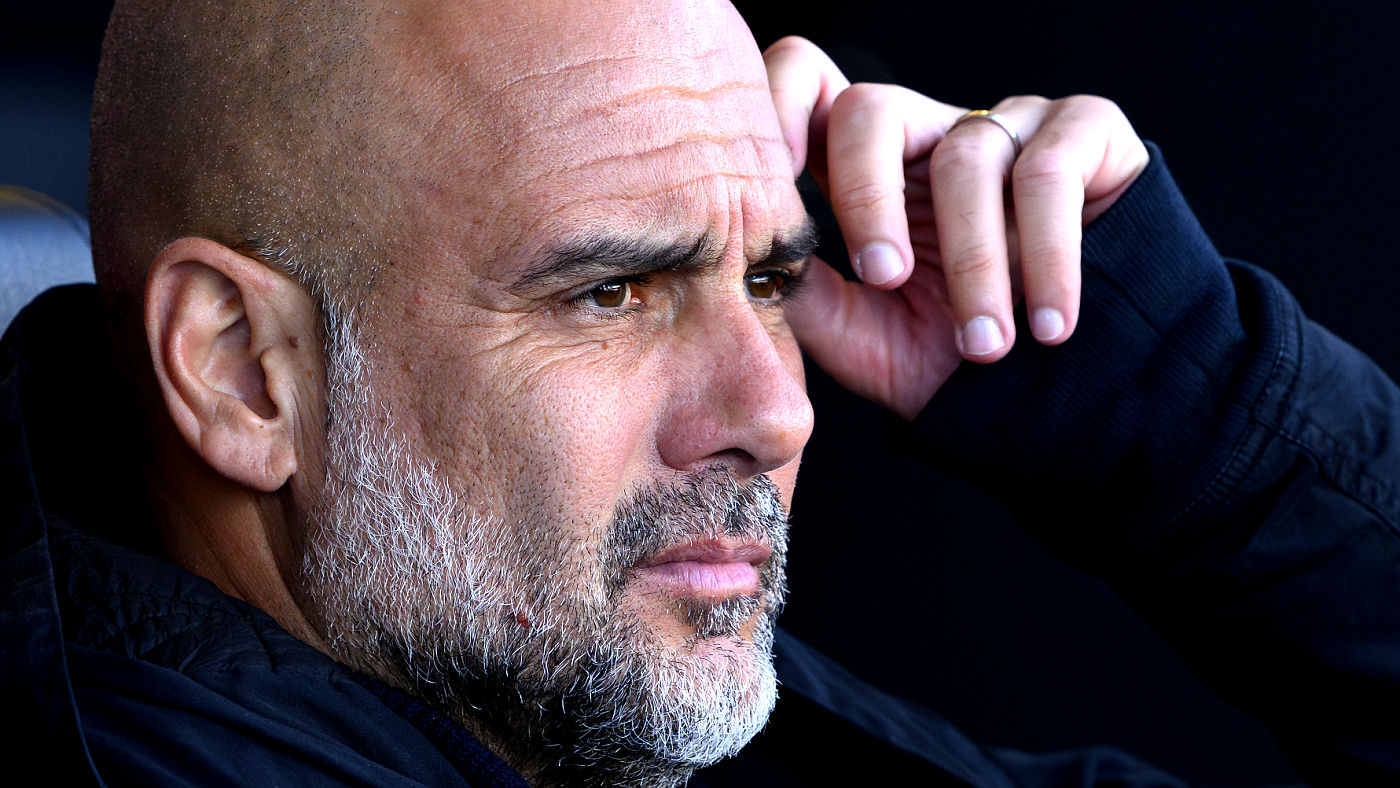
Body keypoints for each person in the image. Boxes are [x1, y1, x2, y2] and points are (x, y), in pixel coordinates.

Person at [4, 0, 1400, 785]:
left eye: (772, 279)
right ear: (243, 371)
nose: (778, 412)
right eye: (613, 292)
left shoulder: (560, 705)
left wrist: (1174, 392)